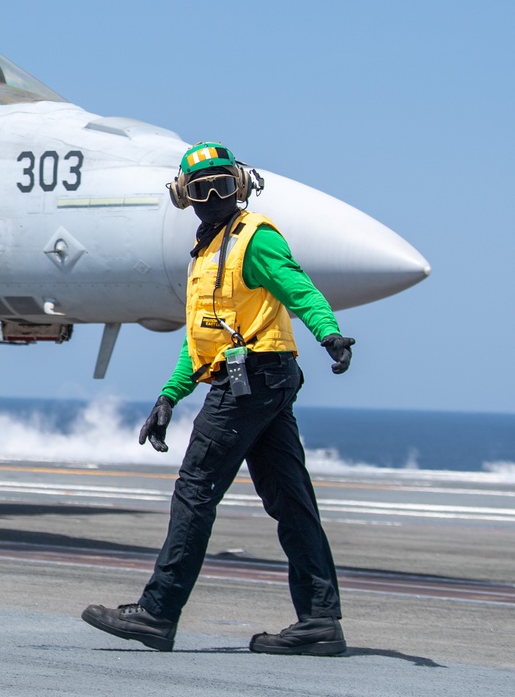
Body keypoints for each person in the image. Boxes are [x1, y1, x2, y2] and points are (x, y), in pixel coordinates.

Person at [81, 142, 355, 656]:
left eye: (221, 185)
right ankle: (320, 620)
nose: (212, 196)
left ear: (241, 186)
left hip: (251, 380)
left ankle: (157, 613)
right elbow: (203, 338)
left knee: (195, 491)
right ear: (183, 197)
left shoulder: (255, 238)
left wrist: (329, 333)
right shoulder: (207, 253)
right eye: (199, 188)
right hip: (258, 378)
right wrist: (170, 395)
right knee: (290, 502)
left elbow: (299, 287)